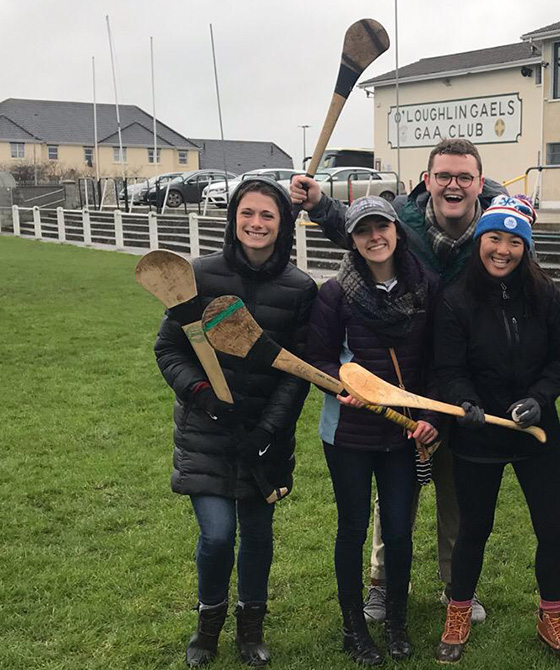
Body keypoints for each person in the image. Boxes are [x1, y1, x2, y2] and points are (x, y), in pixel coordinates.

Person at [291, 138, 504, 624]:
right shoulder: (403, 222)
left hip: (464, 387)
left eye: (464, 177)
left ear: (478, 182)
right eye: (444, 176)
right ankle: (384, 585)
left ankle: (456, 586)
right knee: (397, 500)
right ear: (427, 181)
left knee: (456, 494)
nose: (454, 185)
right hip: (405, 386)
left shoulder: (493, 230)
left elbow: (517, 271)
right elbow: (360, 234)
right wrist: (320, 203)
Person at [155, 177, 316, 667]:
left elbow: (298, 371)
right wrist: (202, 394)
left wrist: (268, 429)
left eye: (268, 215)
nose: (256, 223)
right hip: (207, 431)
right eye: (248, 213)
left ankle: (251, 626)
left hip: (265, 436)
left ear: (282, 224)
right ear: (233, 218)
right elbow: (169, 348)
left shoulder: (300, 288)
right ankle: (208, 626)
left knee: (258, 535)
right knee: (219, 533)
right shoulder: (199, 276)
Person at [431, 196, 560, 666]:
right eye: (494, 238)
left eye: (515, 241)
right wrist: (466, 403)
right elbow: (449, 366)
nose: (503, 249)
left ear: (526, 246)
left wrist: (539, 399)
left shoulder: (545, 295)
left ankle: (551, 616)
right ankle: (457, 613)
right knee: (474, 528)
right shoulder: (456, 299)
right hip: (479, 434)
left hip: (537, 433)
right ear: (480, 241)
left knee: (553, 528)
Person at [305, 196, 442, 665]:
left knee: (400, 530)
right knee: (353, 527)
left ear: (397, 231)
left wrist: (431, 418)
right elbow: (318, 358)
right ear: (352, 239)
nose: (374, 237)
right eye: (363, 230)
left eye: (381, 226)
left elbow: (436, 364)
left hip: (403, 432)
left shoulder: (427, 288)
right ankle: (353, 628)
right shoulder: (334, 293)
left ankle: (398, 623)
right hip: (348, 432)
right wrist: (341, 383)